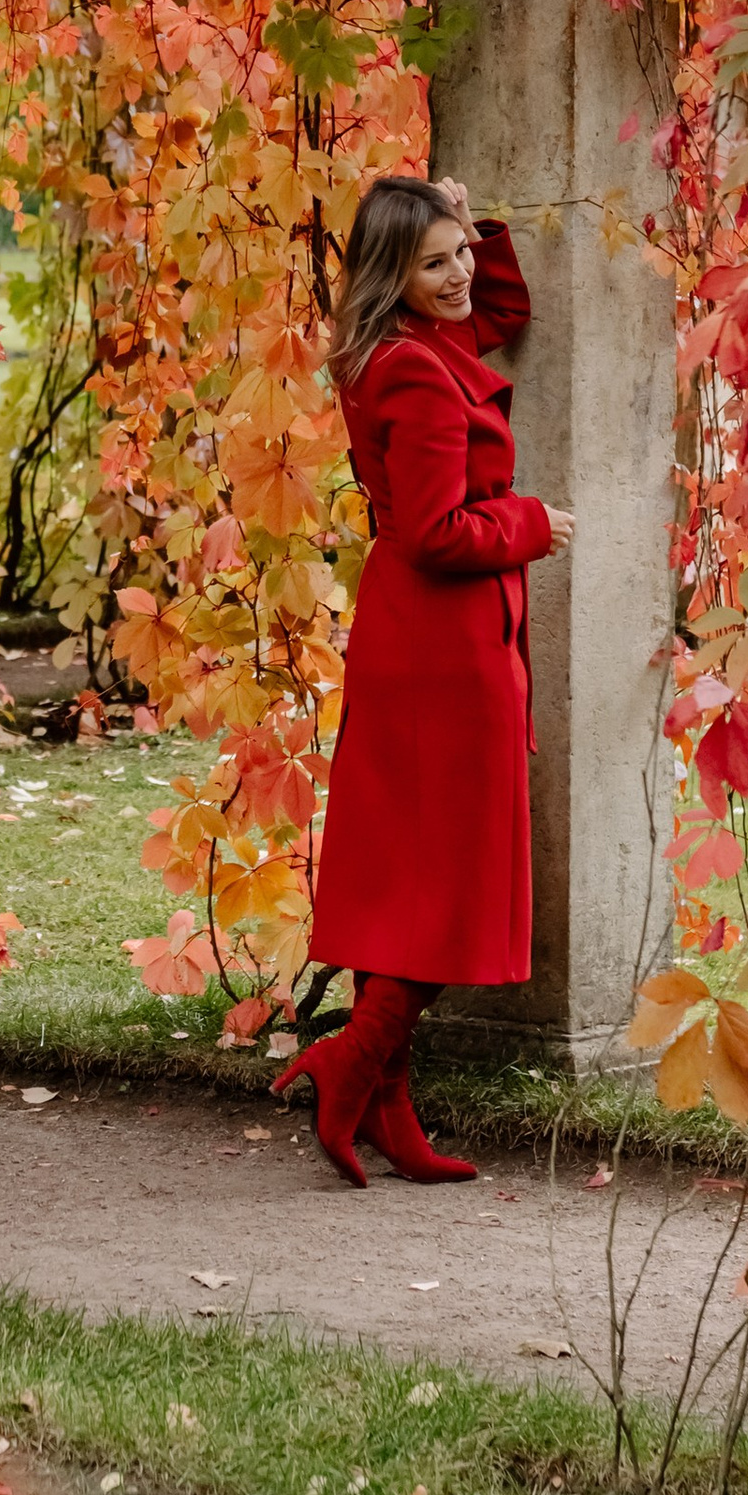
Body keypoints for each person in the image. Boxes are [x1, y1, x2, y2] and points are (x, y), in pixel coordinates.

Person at [273, 172, 574, 1185]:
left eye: (458, 255)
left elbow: (501, 306)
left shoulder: (396, 347)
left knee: (411, 871)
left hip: (414, 639)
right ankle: (349, 1063)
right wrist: (533, 524)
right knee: (453, 878)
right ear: (391, 276)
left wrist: (464, 214)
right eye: (432, 262)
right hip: (444, 645)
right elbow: (445, 532)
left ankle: (385, 1107)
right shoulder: (415, 373)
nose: (458, 278)